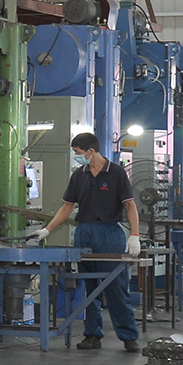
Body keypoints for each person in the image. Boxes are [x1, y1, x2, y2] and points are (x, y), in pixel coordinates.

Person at [26, 132, 141, 352]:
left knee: (116, 286)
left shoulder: (116, 173)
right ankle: (92, 335)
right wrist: (47, 230)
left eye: (78, 152)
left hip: (109, 232)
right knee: (90, 287)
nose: (76, 156)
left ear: (91, 151)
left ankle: (128, 336)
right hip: (85, 232)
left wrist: (135, 234)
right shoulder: (79, 175)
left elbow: (130, 205)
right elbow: (67, 207)